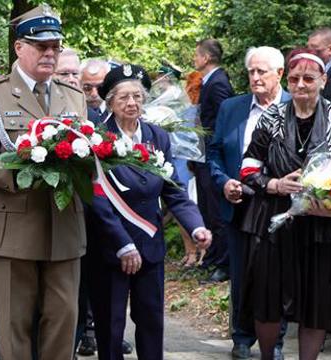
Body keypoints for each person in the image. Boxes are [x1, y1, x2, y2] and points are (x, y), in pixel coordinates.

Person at [0, 4, 87, 359]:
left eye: (55, 47)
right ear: (20, 47)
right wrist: (22, 174)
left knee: (63, 326)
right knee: (15, 331)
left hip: (65, 228)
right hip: (14, 228)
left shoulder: (72, 95)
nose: (50, 54)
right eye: (41, 46)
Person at [238, 48, 331, 360]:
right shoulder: (271, 117)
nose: (301, 84)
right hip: (276, 219)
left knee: (316, 301)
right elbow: (249, 166)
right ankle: (268, 356)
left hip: (323, 223)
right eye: (294, 79)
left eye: (309, 78)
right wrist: (275, 184)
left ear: (323, 80)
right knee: (267, 298)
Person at [87, 63, 212, 360]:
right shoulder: (97, 139)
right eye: (123, 98)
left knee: (152, 323)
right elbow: (97, 199)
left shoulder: (157, 137)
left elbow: (173, 189)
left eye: (138, 97)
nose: (132, 103)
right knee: (111, 328)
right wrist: (122, 245)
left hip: (150, 248)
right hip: (111, 248)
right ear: (110, 103)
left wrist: (196, 227)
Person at [207, 46, 291, 360]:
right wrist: (223, 181)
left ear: (279, 74)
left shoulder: (294, 107)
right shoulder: (232, 108)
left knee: (277, 277)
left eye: (261, 72)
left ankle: (276, 341)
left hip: (280, 207)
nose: (254, 77)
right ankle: (241, 338)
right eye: (251, 71)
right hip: (239, 203)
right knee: (241, 275)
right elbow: (214, 152)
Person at [192, 38, 234, 282]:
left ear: (206, 58)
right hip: (202, 154)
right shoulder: (208, 82)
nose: (194, 59)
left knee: (216, 209)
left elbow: (222, 121)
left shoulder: (218, 83)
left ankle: (224, 263)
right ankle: (212, 256)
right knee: (206, 207)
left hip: (212, 154)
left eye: (197, 55)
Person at [80, 59, 110, 123]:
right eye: (87, 88)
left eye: (100, 87)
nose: (94, 94)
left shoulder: (119, 112)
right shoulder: (72, 111)